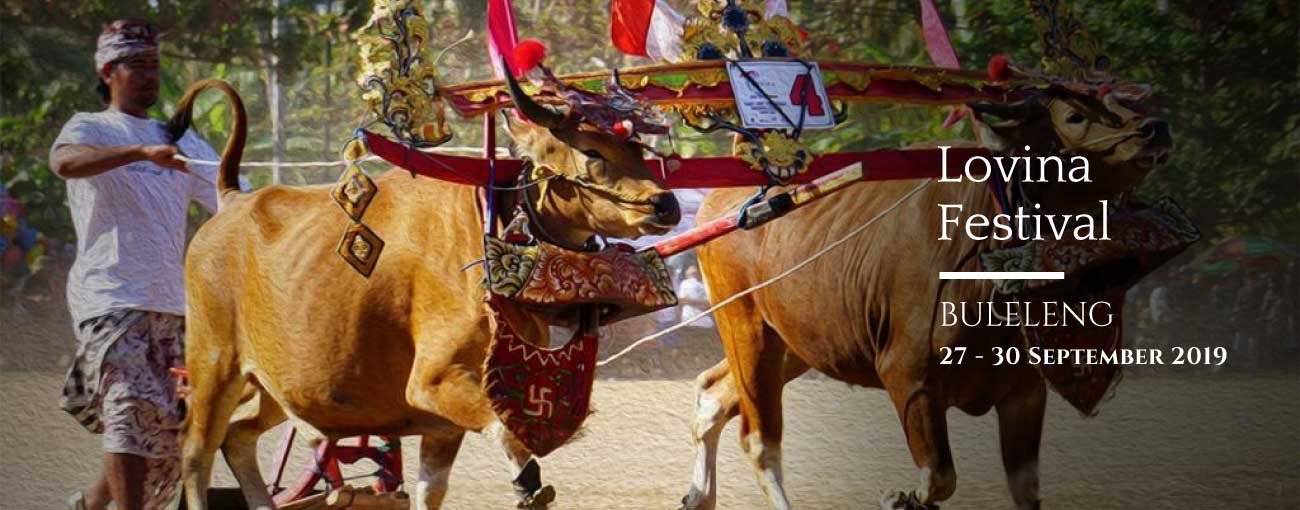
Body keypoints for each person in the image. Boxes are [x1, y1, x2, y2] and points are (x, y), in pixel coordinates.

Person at [50, 19, 221, 510]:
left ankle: (87, 505)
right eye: (138, 66)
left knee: (164, 432)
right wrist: (138, 152)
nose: (150, 77)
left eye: (155, 67)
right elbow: (63, 163)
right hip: (110, 296)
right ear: (108, 71)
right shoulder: (90, 127)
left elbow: (234, 199)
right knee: (129, 408)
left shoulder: (183, 141)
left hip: (171, 301)